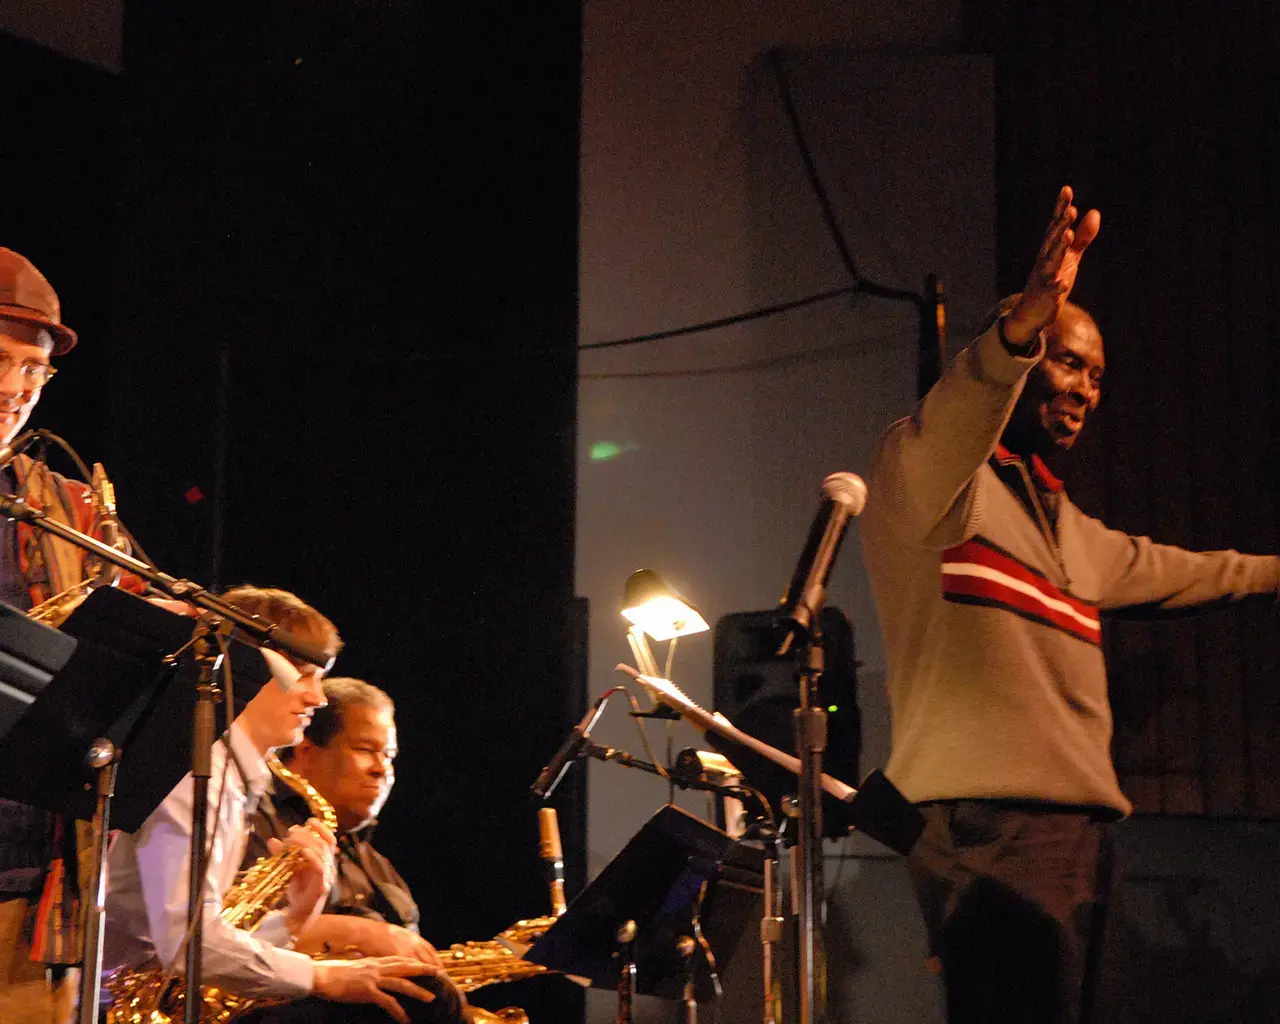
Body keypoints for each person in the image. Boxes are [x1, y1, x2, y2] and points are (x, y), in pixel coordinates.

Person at [860, 187, 1280, 1024]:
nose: (1086, 387)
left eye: (1095, 373)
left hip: (1082, 839)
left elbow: (1200, 571)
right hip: (989, 838)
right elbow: (957, 416)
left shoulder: (1072, 533)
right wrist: (1019, 330)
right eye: (1066, 359)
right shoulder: (932, 484)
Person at [102, 586, 445, 1024]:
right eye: (303, 675)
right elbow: (188, 945)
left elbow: (198, 940)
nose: (317, 699)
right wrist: (322, 977)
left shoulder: (236, 775)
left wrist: (293, 918)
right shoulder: (196, 774)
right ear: (243, 667)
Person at [0, 246, 107, 1024]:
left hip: (30, 899)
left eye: (33, 373)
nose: (14, 390)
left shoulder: (69, 507)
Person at [237, 676, 466, 1024]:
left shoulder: (377, 866)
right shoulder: (251, 823)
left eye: (388, 755)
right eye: (364, 749)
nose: (381, 770)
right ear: (306, 751)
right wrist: (359, 932)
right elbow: (218, 937)